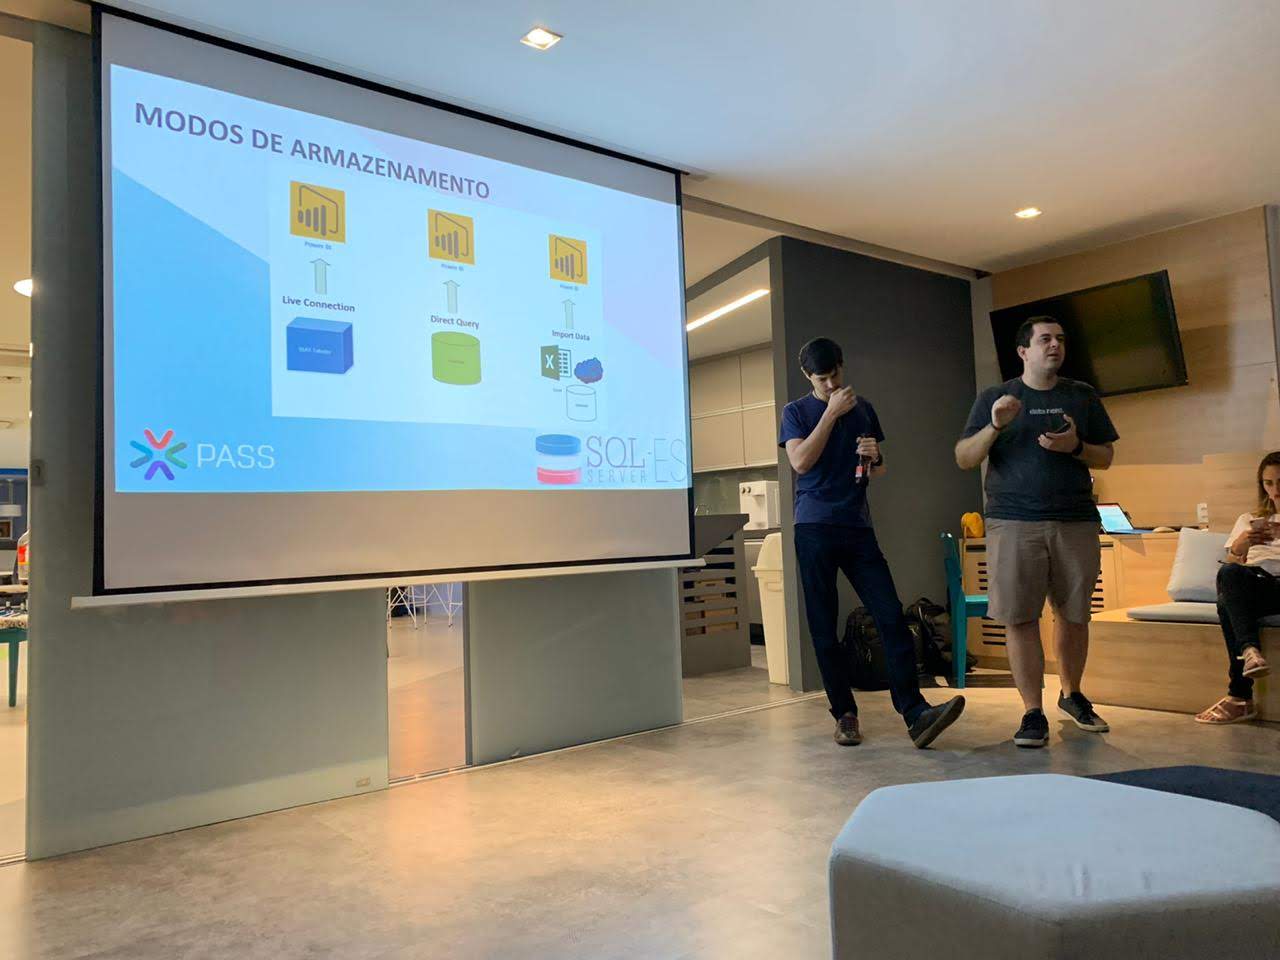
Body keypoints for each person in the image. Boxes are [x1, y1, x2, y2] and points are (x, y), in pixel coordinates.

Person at [779, 337, 965, 748]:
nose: (831, 384)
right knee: (823, 625)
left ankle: (915, 713)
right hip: (814, 527)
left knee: (890, 615)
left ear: (842, 367)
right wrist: (830, 415)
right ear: (808, 376)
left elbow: (875, 470)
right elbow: (800, 462)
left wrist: (875, 457)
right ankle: (844, 714)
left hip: (858, 527)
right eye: (822, 379)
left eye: (835, 375)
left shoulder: (863, 409)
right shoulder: (796, 412)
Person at [954, 316, 1118, 748]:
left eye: (1060, 338)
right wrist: (995, 425)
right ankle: (1031, 712)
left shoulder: (1081, 395)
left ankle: (1072, 694)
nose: (1055, 345)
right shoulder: (996, 397)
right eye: (1045, 339)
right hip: (1013, 522)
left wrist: (1075, 447)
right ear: (1023, 351)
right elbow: (965, 458)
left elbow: (1105, 457)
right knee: (1019, 617)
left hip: (1075, 520)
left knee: (1075, 614)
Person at [1194, 453, 1277, 724]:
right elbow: (1232, 564)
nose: (1275, 490)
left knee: (1225, 605)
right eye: (1268, 483)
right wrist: (1242, 544)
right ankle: (1250, 652)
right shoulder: (1248, 518)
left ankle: (1240, 698)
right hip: (1258, 584)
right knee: (1229, 573)